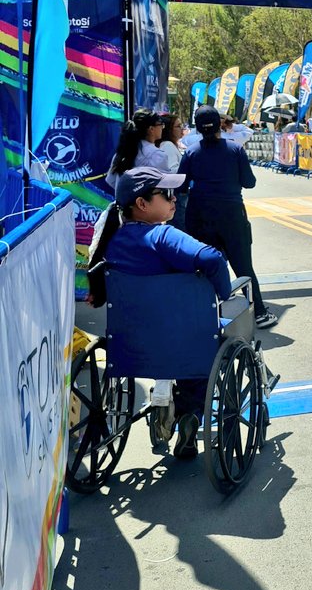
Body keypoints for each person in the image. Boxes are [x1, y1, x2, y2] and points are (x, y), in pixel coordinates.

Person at [99, 167, 232, 459]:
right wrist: (226, 295)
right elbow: (211, 258)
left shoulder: (114, 241)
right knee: (210, 339)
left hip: (133, 343)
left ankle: (168, 409)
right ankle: (190, 415)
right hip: (181, 340)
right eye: (166, 194)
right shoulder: (162, 236)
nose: (174, 200)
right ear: (142, 204)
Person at [178, 106, 278, 329]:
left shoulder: (191, 152)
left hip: (200, 216)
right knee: (243, 266)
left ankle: (205, 316)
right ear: (219, 125)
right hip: (232, 215)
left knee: (202, 267)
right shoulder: (235, 150)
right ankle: (260, 313)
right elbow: (249, 182)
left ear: (197, 127)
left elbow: (181, 186)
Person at [106, 109, 169, 195]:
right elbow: (164, 186)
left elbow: (111, 180)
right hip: (146, 206)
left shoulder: (123, 151)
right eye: (161, 125)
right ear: (151, 129)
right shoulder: (157, 155)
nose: (162, 127)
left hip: (123, 205)